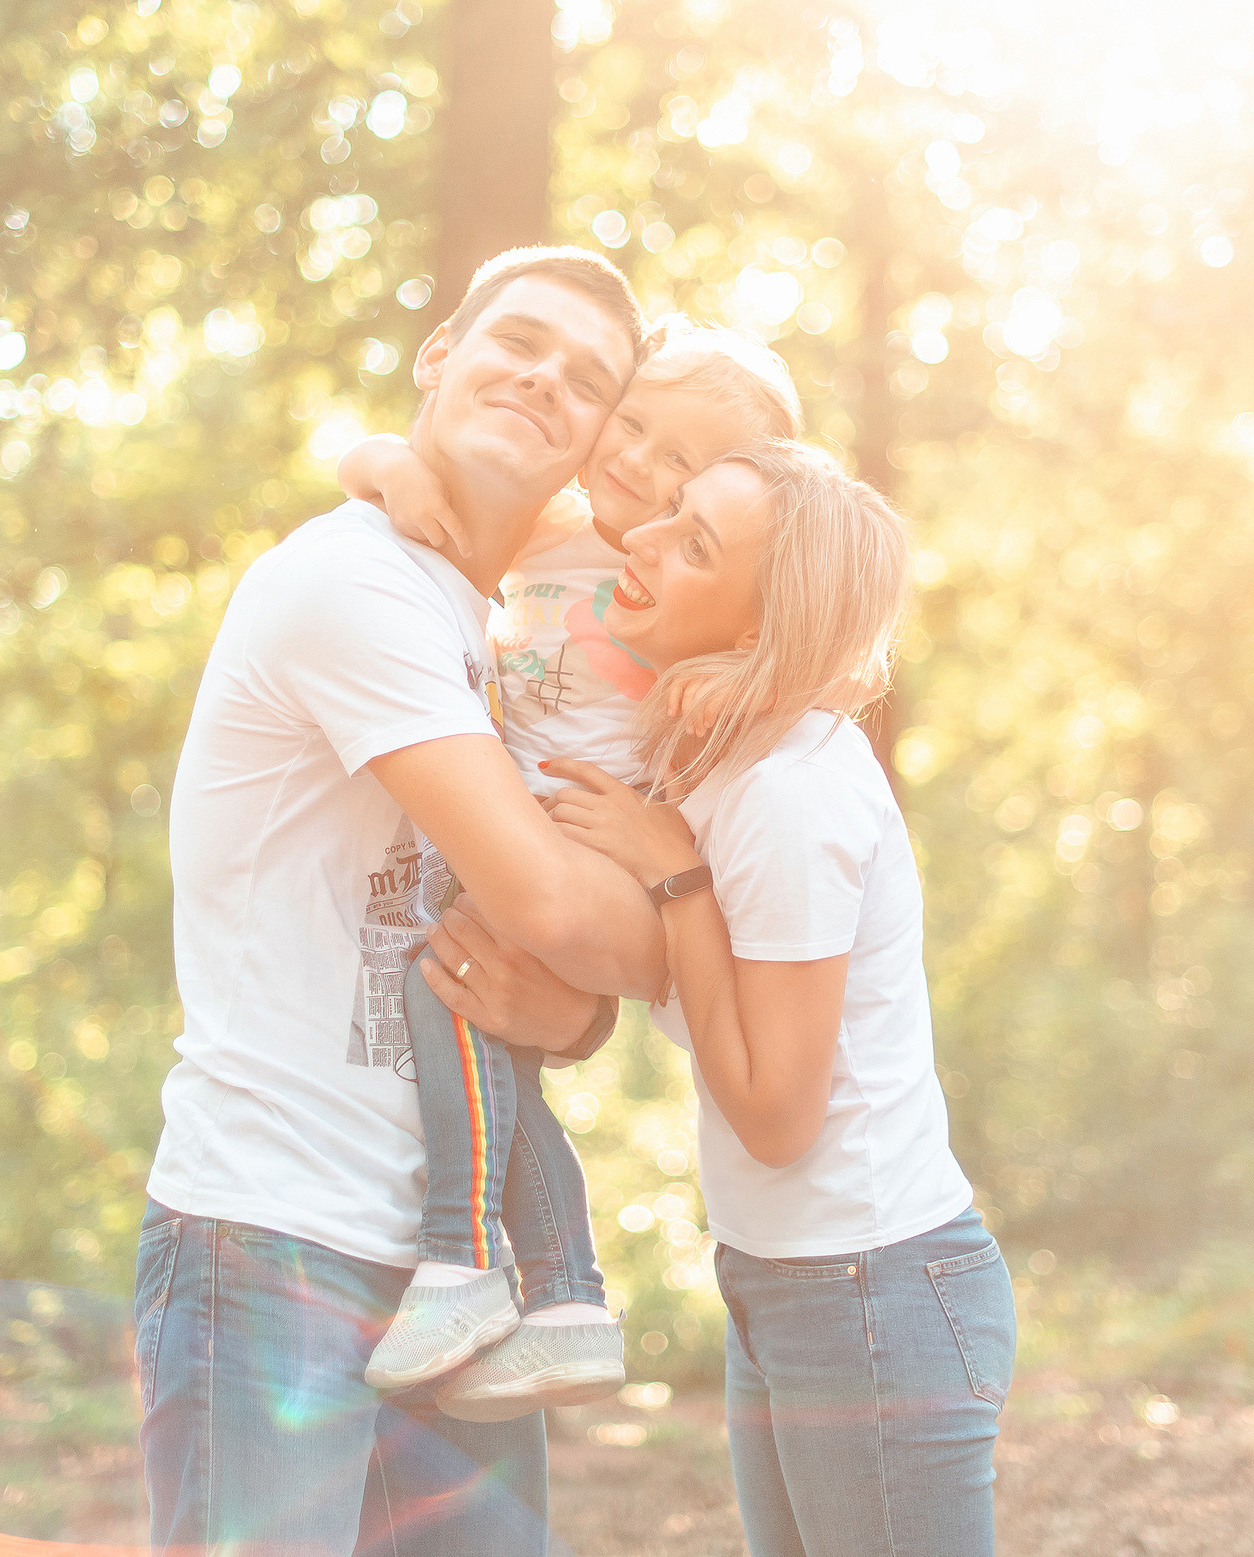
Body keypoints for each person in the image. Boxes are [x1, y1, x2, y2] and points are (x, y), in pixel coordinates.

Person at [135, 246, 669, 1557]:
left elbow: (534, 966)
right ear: (441, 354)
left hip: (456, 1266)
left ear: (596, 436)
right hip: (276, 1239)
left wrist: (580, 1007)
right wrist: (697, 928)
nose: (544, 381)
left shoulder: (512, 620)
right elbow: (545, 900)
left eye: (586, 379)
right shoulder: (352, 583)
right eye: (518, 343)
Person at [447, 439, 1016, 1557]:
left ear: (759, 628)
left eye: (696, 544)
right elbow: (684, 988)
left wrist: (680, 883)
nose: (644, 538)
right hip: (789, 1279)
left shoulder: (786, 794)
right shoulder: (719, 768)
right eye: (668, 510)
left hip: (869, 1290)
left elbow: (777, 1113)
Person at [336, 322, 803, 1420]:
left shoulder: (680, 580)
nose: (635, 460)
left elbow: (784, 642)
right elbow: (368, 463)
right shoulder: (549, 527)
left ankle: (465, 1255)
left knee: (439, 986)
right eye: (631, 424)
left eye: (678, 461)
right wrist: (392, 465)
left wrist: (727, 685)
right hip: (515, 823)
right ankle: (566, 1298)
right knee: (484, 1035)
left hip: (586, 836)